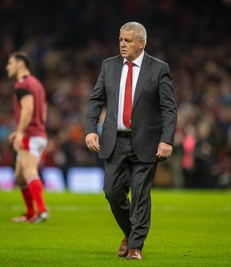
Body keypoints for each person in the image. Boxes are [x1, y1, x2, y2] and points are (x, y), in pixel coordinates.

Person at [85, 22, 178, 260]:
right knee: (112, 192)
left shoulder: (158, 69)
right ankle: (130, 232)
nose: (122, 44)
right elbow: (96, 100)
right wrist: (90, 130)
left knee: (140, 194)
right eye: (120, 40)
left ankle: (136, 245)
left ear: (141, 43)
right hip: (115, 141)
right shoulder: (109, 65)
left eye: (127, 40)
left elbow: (169, 108)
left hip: (146, 142)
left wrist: (166, 140)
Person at [6, 51, 49, 223]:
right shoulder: (37, 84)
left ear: (20, 64)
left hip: (30, 136)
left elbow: (28, 109)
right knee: (19, 175)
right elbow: (43, 111)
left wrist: (22, 132)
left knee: (29, 171)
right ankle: (30, 213)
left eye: (10, 63)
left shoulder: (22, 84)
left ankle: (42, 210)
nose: (7, 67)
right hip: (38, 134)